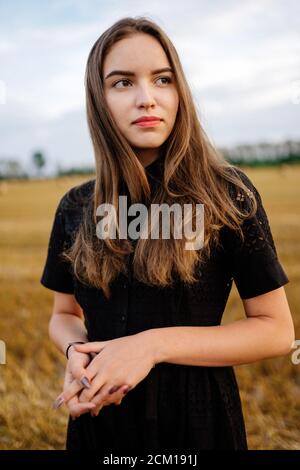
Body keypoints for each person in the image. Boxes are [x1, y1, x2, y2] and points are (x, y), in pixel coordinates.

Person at [40, 17, 295, 451]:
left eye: (162, 79)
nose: (146, 99)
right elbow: (63, 315)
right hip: (99, 427)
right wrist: (78, 357)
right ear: (98, 99)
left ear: (180, 92)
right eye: (122, 83)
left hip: (198, 426)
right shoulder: (76, 207)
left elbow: (275, 330)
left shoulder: (226, 194)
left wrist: (151, 346)